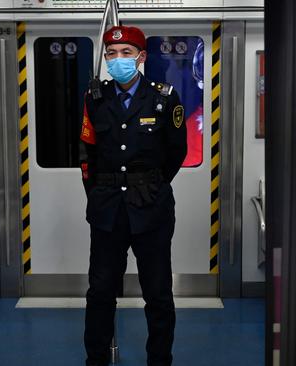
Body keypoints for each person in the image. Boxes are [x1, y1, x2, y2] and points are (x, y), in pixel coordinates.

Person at [79, 25, 187, 366]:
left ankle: (159, 360)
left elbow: (177, 152)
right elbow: (87, 156)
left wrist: (149, 183)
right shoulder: (95, 98)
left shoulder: (163, 97)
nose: (118, 60)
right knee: (100, 293)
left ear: (141, 58)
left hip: (151, 208)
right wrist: (99, 192)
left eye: (126, 53)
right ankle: (95, 360)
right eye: (111, 54)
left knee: (157, 294)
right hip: (108, 208)